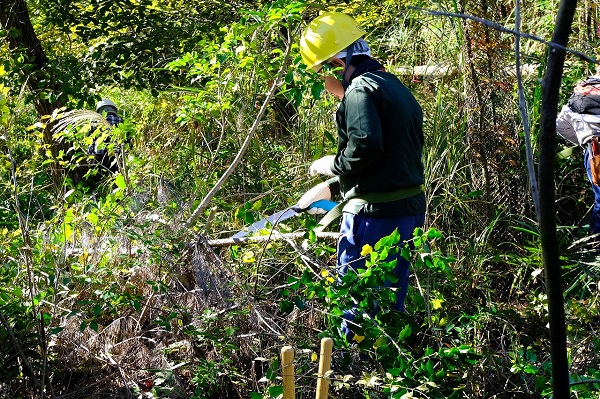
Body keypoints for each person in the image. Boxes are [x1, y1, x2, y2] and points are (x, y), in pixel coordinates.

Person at [297, 12, 426, 341]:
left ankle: (353, 373)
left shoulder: (359, 91)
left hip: (373, 217)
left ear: (337, 65)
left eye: (319, 77)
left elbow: (366, 145)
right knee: (388, 300)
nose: (323, 88)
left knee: (357, 303)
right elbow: (388, 160)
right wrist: (331, 188)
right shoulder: (393, 86)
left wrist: (332, 164)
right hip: (407, 210)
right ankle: (385, 371)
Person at [556, 75, 600, 237]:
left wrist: (584, 139)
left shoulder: (580, 94)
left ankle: (595, 247)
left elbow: (560, 126)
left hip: (595, 151)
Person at [89, 98, 125, 177]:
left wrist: (90, 154)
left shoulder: (95, 121)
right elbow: (127, 139)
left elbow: (91, 140)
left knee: (98, 179)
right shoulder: (121, 121)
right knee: (117, 179)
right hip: (117, 155)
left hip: (99, 155)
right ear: (113, 109)